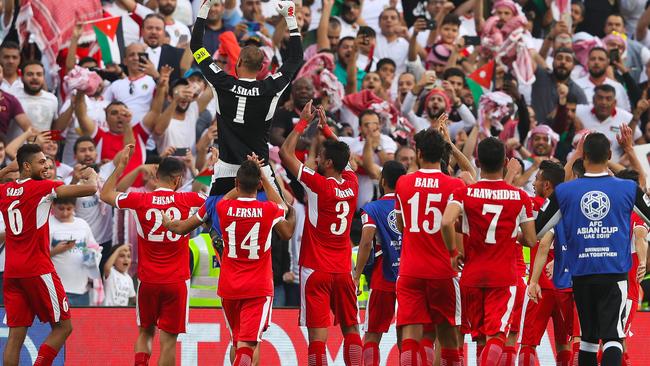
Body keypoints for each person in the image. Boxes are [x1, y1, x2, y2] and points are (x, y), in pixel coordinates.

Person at [163, 157, 296, 366]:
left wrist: (168, 224)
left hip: (229, 287)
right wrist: (262, 175)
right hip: (257, 288)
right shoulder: (268, 210)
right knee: (248, 346)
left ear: (236, 184)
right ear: (259, 184)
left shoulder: (222, 208)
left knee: (238, 343)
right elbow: (283, 210)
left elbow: (186, 224)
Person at [535, 131, 650, 366]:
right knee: (612, 338)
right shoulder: (628, 188)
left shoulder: (565, 192)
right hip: (614, 273)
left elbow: (536, 232)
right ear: (609, 155)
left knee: (587, 339)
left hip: (582, 274)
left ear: (584, 156)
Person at [99, 145, 207, 366]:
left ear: (156, 176)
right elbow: (218, 201)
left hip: (147, 280)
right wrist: (208, 167)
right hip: (177, 281)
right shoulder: (190, 200)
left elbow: (106, 194)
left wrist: (120, 167)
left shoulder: (140, 200)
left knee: (146, 333)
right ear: (178, 180)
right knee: (168, 341)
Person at [191, 0, 304, 197]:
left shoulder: (221, 82)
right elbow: (295, 59)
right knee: (283, 216)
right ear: (261, 68)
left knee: (212, 219)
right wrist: (290, 19)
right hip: (259, 168)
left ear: (239, 62)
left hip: (226, 168)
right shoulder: (271, 87)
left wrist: (204, 10)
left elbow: (196, 46)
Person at [441, 137, 537, 366]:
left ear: (479, 162)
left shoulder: (465, 194)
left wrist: (454, 253)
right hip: (503, 277)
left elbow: (446, 223)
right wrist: (512, 231)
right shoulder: (520, 197)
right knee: (497, 336)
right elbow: (532, 240)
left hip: (471, 276)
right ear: (505, 162)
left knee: (481, 338)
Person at [279, 104, 362, 366]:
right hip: (342, 270)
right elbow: (345, 158)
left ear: (327, 163)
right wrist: (327, 129)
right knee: (351, 330)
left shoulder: (317, 184)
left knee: (317, 337)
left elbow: (284, 153)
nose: (315, 160)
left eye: (320, 158)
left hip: (316, 269)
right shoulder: (352, 183)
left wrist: (303, 123)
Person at [1, 143, 98, 366]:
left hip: (12, 272)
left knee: (16, 336)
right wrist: (91, 176)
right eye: (41, 162)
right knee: (64, 327)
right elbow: (91, 190)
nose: (46, 166)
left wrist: (6, 170)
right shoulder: (42, 188)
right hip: (37, 269)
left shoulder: (4, 190)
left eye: (47, 161)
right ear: (26, 166)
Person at [393, 126, 465, 366]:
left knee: (411, 336)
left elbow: (402, 224)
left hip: (411, 269)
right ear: (443, 155)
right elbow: (455, 225)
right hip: (442, 270)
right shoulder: (455, 186)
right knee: (448, 338)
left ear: (419, 152)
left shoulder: (403, 183)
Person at [519, 160, 574, 366]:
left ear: (547, 185)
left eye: (537, 179)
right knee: (565, 344)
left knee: (527, 344)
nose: (534, 183)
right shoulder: (570, 208)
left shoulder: (531, 204)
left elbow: (534, 241)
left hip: (538, 284)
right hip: (564, 284)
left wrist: (516, 236)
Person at [352, 160, 406, 366]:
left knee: (373, 334)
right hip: (409, 276)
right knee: (407, 336)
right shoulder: (409, 205)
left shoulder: (372, 208)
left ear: (382, 181)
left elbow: (366, 242)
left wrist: (356, 275)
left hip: (383, 277)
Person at [49, 196, 101, 306]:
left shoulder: (82, 224)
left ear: (75, 207)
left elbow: (94, 248)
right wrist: (55, 251)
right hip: (55, 290)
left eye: (69, 209)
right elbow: (36, 257)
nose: (65, 213)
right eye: (61, 208)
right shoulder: (47, 224)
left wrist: (91, 255)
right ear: (53, 206)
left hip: (81, 289)